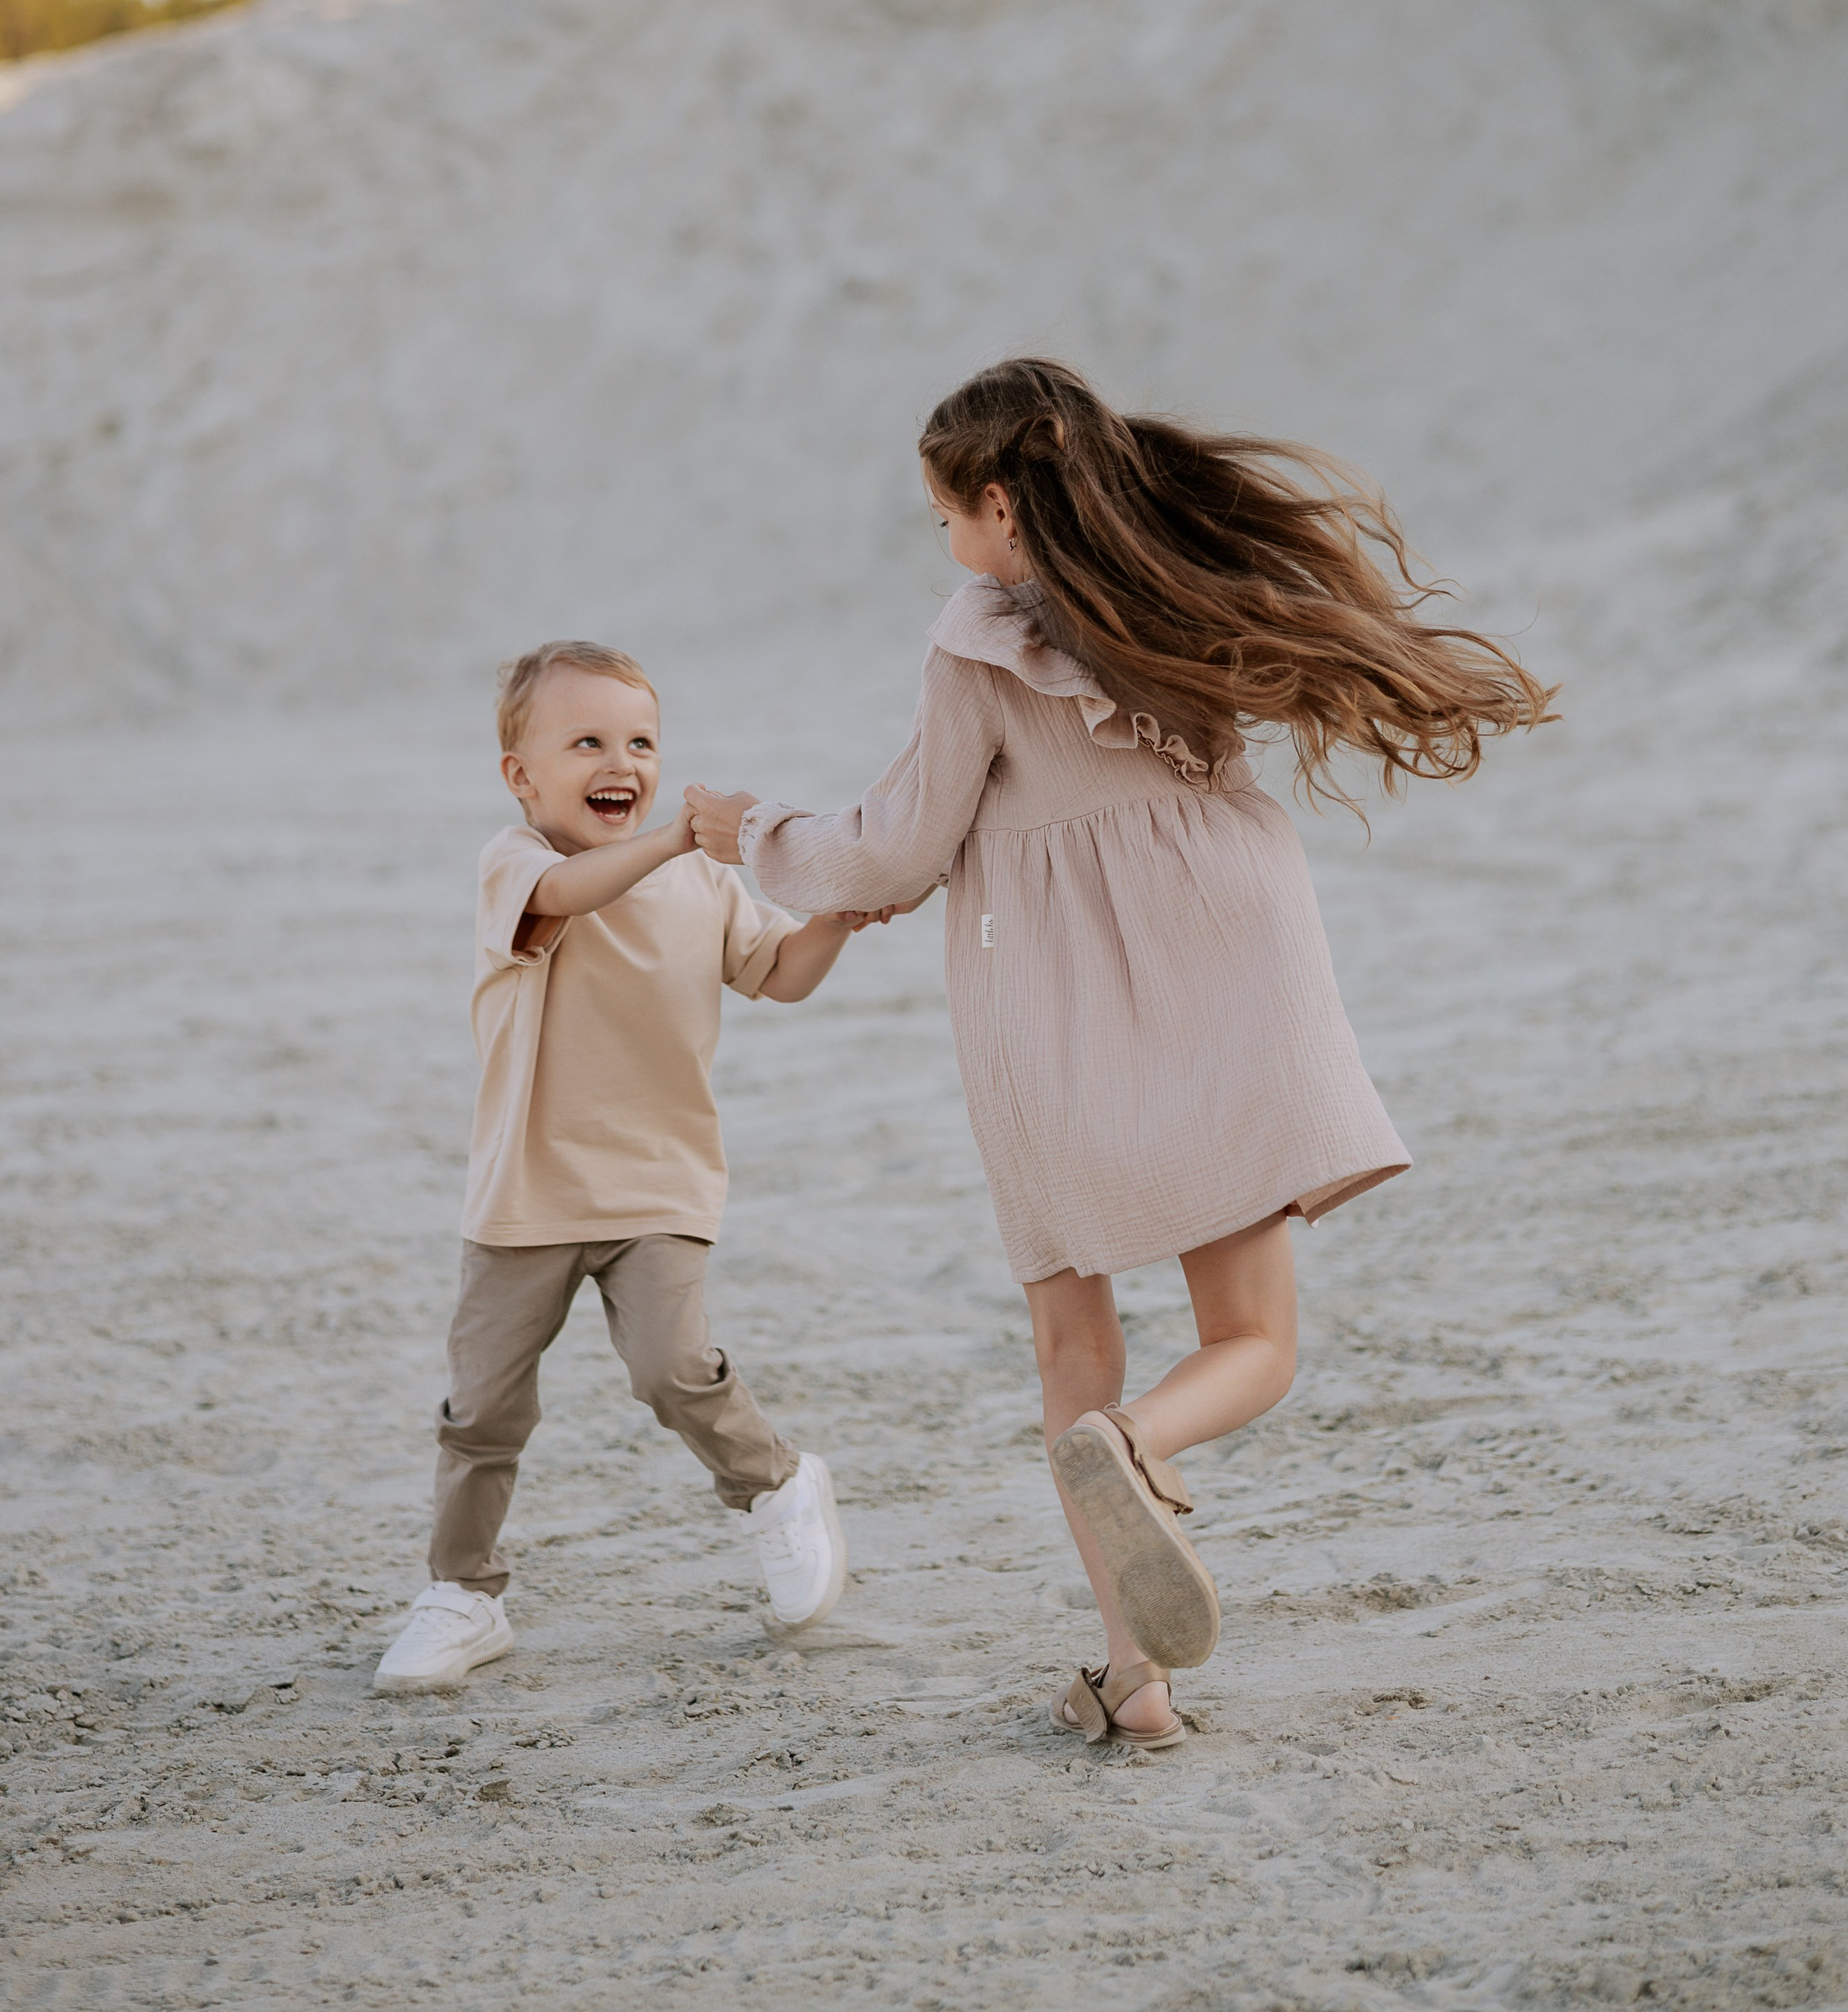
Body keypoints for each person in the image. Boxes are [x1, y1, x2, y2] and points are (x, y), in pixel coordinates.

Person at [686, 359, 1552, 1749]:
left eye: (945, 519)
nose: (948, 549)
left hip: (1052, 996)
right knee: (1255, 1340)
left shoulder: (974, 635)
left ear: (996, 507)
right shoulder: (1173, 592)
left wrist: (758, 832)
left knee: (1072, 1337)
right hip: (1232, 956)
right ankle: (1144, 1451)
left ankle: (1135, 1671)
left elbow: (904, 839)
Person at [373, 639, 871, 1697]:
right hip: (525, 1193)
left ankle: (777, 1485)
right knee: (484, 1411)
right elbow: (573, 891)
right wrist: (680, 837)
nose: (622, 761)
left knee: (670, 1368)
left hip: (659, 1185)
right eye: (588, 741)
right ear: (523, 775)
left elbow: (777, 974)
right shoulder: (514, 864)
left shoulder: (699, 880)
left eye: (641, 741)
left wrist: (836, 917)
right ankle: (464, 1593)